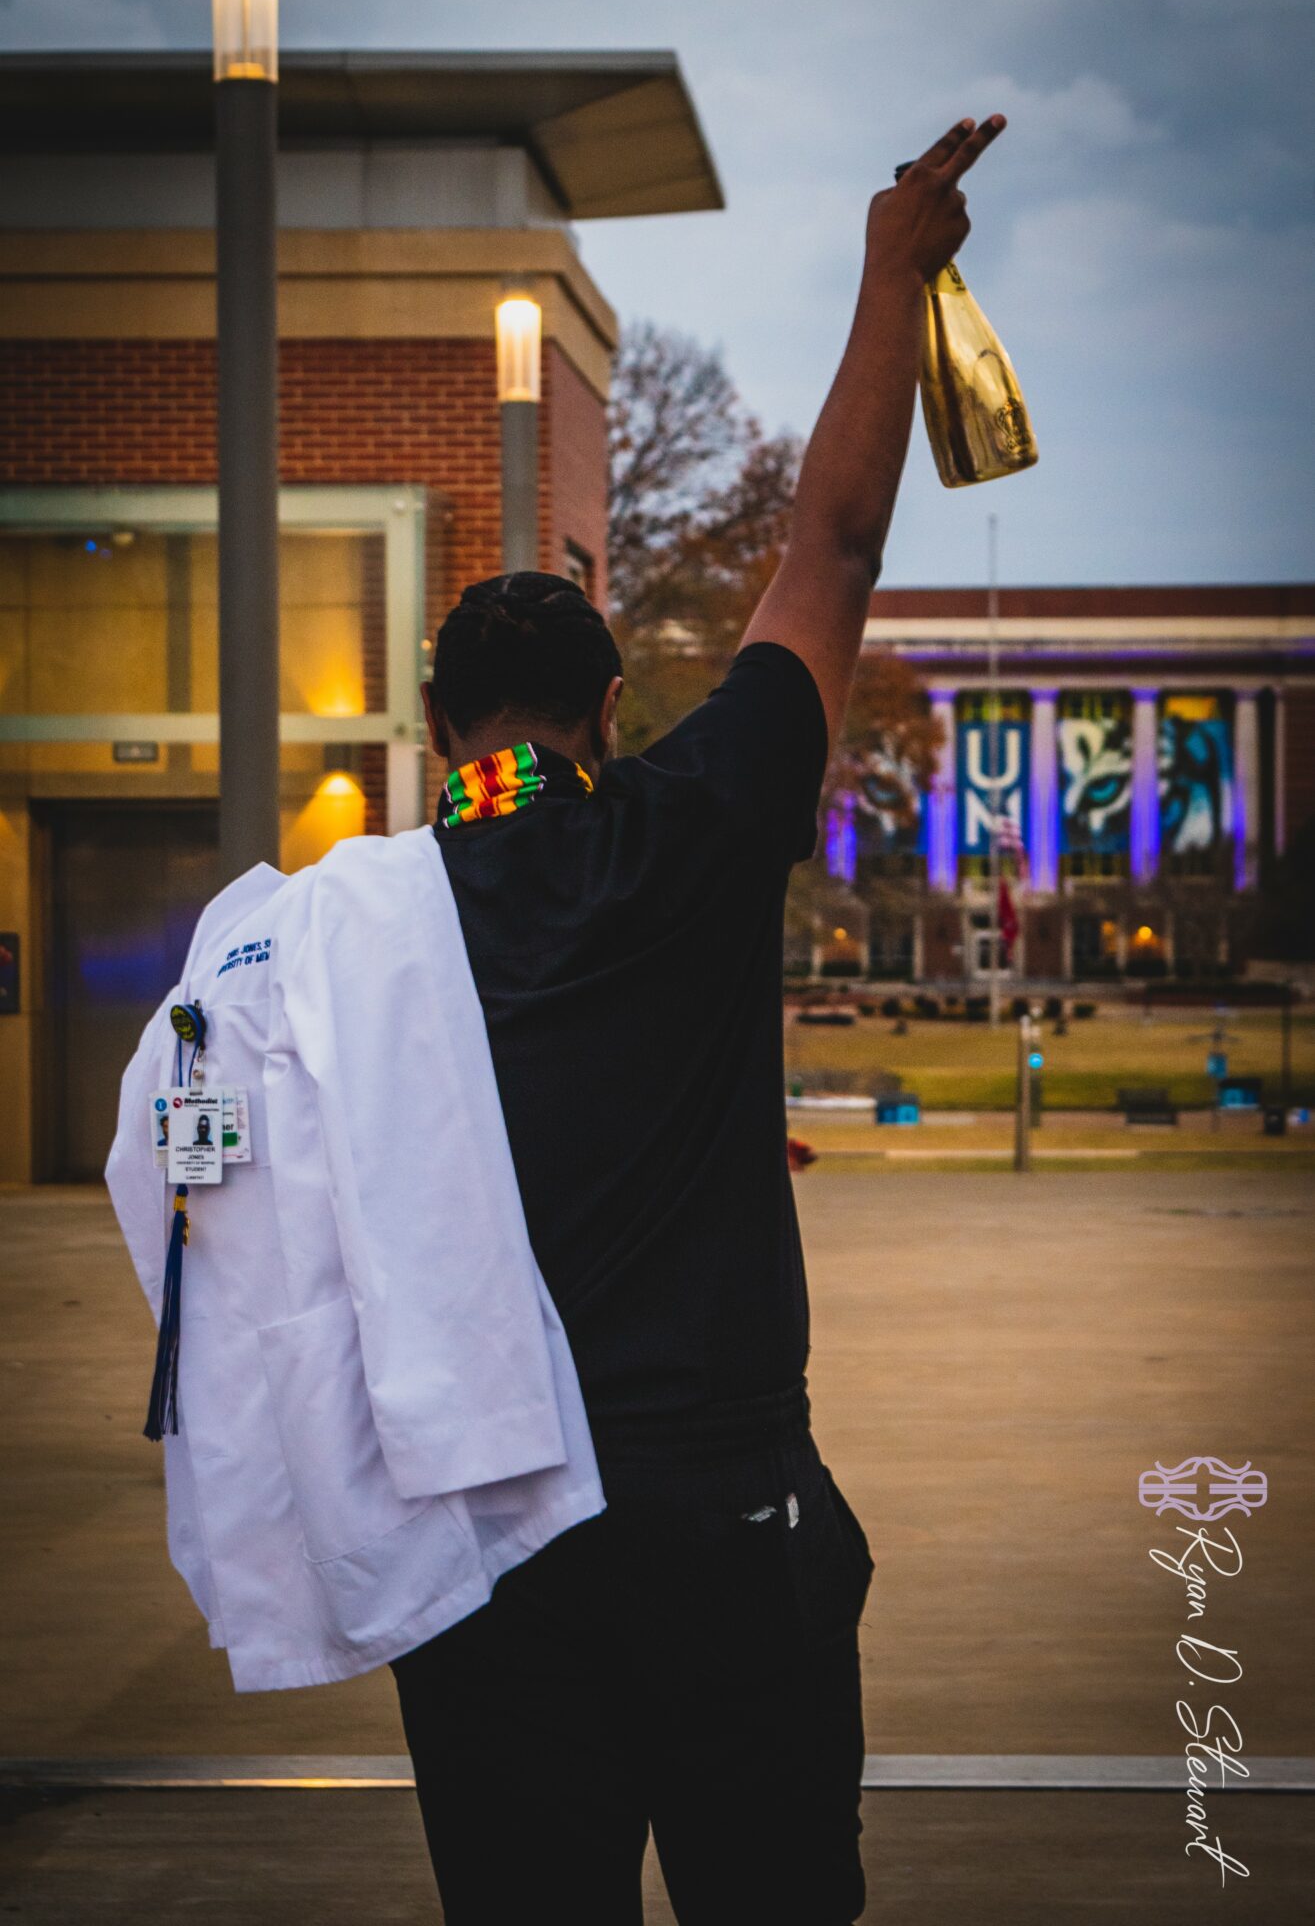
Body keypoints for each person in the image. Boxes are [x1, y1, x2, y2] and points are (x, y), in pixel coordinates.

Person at [390, 114, 1006, 1926]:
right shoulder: (705, 822)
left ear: (435, 733)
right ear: (612, 712)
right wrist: (893, 269)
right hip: (731, 1520)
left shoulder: (354, 927)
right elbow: (835, 543)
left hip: (487, 1541)